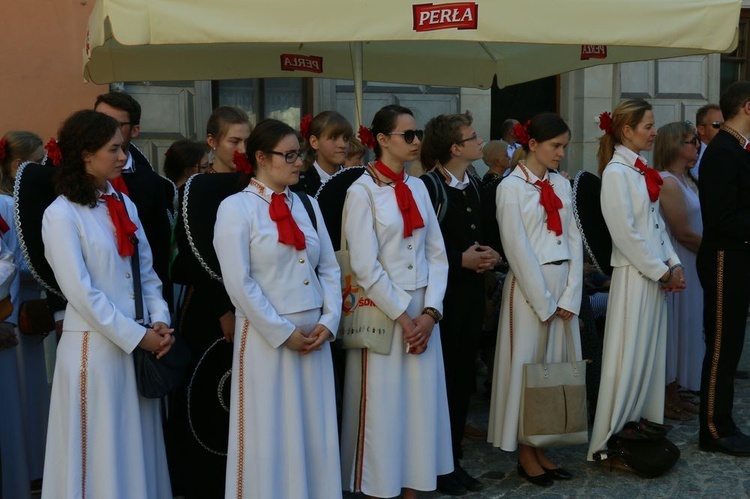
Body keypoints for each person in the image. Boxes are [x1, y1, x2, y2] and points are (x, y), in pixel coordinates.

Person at [40, 110, 174, 498]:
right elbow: (81, 292)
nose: (122, 157)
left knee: (135, 447)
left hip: (136, 346)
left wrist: (160, 321)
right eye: (114, 149)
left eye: (123, 148)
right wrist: (138, 336)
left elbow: (147, 272)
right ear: (85, 154)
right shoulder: (61, 214)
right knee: (97, 450)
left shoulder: (123, 205)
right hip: (94, 353)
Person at [214, 118, 342, 498]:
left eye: (298, 154)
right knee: (268, 430)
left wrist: (329, 320)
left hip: (314, 336)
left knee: (313, 428)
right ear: (260, 157)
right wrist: (282, 332)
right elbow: (239, 282)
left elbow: (330, 268)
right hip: (267, 339)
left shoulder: (308, 203)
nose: (298, 162)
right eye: (288, 155)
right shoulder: (236, 208)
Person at [340, 105, 452, 499]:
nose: (417, 141)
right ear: (382, 140)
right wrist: (405, 319)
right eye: (408, 135)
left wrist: (431, 313)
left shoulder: (419, 186)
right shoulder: (361, 192)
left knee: (419, 408)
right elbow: (365, 266)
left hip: (422, 311)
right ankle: (377, 488)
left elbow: (437, 254)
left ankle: (413, 488)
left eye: (417, 132)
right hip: (385, 312)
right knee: (382, 410)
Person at [487, 113, 582, 487]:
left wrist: (572, 293)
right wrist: (543, 302)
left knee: (554, 367)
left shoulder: (561, 183)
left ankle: (543, 445)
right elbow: (517, 247)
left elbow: (575, 237)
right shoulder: (510, 187)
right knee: (527, 368)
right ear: (533, 145)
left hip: (563, 284)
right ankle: (526, 451)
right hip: (530, 290)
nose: (561, 153)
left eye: (564, 146)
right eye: (555, 146)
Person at [588, 99, 685, 463]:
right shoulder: (616, 173)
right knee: (627, 355)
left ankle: (642, 426)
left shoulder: (640, 170)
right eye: (648, 126)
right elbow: (625, 234)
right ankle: (610, 437)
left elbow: (655, 227)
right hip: (634, 277)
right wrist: (662, 271)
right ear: (627, 131)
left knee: (648, 354)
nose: (654, 132)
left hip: (652, 275)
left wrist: (673, 263)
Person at [167, 105, 252, 498]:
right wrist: (224, 307)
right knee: (208, 391)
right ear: (212, 142)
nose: (241, 149)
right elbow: (197, 253)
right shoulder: (196, 189)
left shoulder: (258, 186)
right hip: (212, 306)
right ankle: (205, 481)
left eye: (248, 141)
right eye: (234, 141)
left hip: (255, 304)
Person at [419, 112, 499, 495]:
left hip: (470, 294)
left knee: (464, 375)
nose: (479, 141)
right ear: (455, 147)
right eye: (473, 136)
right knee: (444, 379)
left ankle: (453, 456)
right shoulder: (429, 188)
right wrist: (459, 259)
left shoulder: (476, 185)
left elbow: (483, 233)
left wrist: (490, 255)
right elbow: (417, 248)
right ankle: (438, 462)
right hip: (439, 298)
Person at [697, 81, 750, 456]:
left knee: (731, 344)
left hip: (738, 256)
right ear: (747, 107)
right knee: (721, 346)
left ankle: (725, 421)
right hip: (723, 258)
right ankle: (714, 429)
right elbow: (720, 218)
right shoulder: (722, 151)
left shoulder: (738, 149)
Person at [94, 92, 175, 310]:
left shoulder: (151, 183)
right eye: (98, 121)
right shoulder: (67, 189)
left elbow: (158, 254)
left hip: (141, 304)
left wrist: (160, 311)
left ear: (135, 130)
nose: (105, 131)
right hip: (94, 306)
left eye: (116, 124)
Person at [0, 131, 48, 491]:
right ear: (19, 166)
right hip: (13, 311)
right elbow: (18, 260)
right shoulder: (7, 205)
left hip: (17, 308)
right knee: (21, 398)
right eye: (39, 161)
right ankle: (27, 468)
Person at [654, 122, 704, 421]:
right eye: (689, 141)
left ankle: (676, 389)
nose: (696, 146)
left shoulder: (687, 180)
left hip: (693, 260)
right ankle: (666, 393)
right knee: (674, 325)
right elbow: (682, 232)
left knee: (686, 323)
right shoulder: (668, 182)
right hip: (681, 258)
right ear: (673, 145)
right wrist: (713, 250)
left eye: (696, 141)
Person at [295, 111, 353, 195]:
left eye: (346, 138)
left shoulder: (355, 180)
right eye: (333, 138)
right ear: (314, 142)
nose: (343, 145)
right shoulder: (299, 185)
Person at [690, 103, 724, 179]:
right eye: (717, 125)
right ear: (701, 130)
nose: (723, 129)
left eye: (726, 126)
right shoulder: (692, 156)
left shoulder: (730, 151)